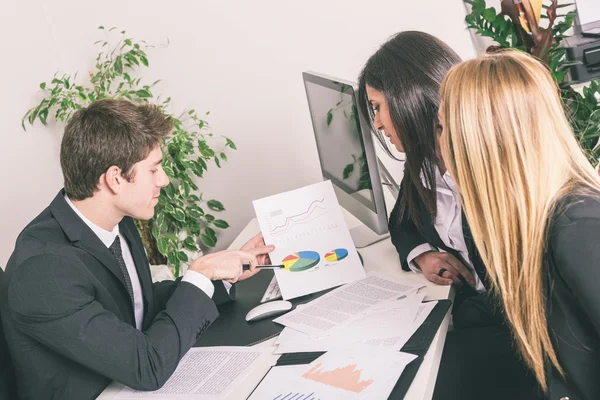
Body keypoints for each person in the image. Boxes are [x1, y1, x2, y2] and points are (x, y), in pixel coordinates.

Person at [0, 99, 274, 400]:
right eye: (154, 169)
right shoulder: (43, 270)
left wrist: (216, 276)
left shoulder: (118, 219)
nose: (164, 180)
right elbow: (147, 368)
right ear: (115, 179)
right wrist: (199, 273)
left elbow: (134, 306)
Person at [439, 49, 600, 399]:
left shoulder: (578, 228)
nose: (439, 144)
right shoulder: (531, 227)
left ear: (477, 142)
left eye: (442, 127)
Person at [357, 31, 498, 327]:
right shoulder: (424, 161)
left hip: (507, 327)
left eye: (378, 107)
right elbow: (401, 221)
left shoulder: (491, 171)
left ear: (411, 98)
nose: (379, 124)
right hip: (471, 311)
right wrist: (423, 257)